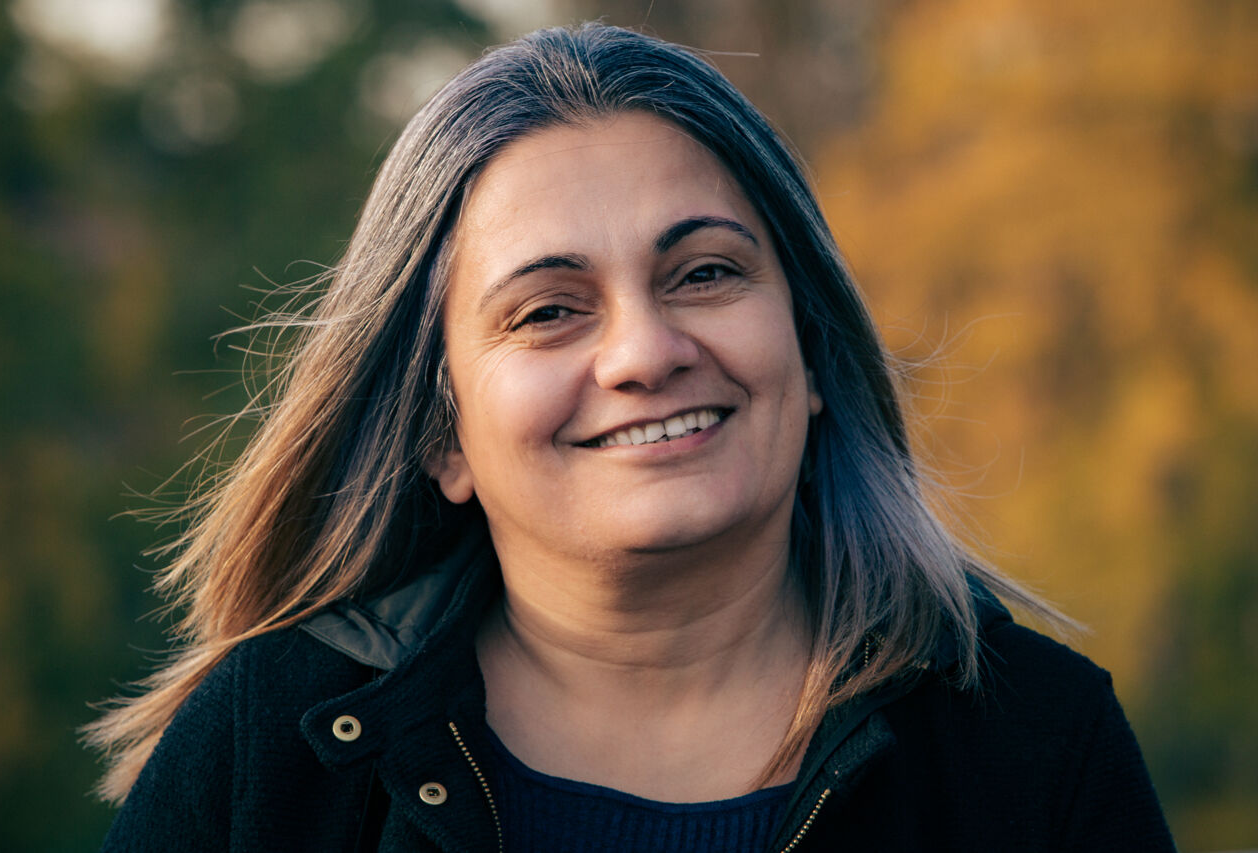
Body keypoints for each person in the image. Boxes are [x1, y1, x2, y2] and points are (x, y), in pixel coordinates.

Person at [90, 23, 1175, 852]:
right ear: (441, 437)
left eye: (704, 273)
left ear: (810, 353)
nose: (644, 352)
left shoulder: (1037, 745)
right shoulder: (268, 753)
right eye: (548, 309)